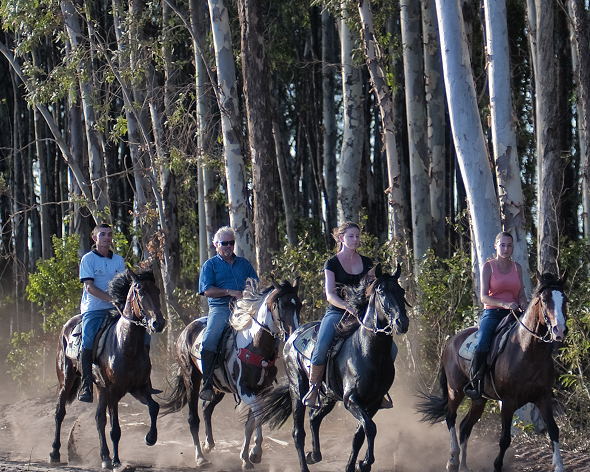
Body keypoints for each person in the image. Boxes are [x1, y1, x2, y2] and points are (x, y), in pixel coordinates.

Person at [304, 221, 394, 408]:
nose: (355, 240)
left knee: (392, 348)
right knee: (320, 349)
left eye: (358, 236)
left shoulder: (367, 262)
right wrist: (346, 306)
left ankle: (380, 389)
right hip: (337, 312)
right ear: (341, 238)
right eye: (351, 236)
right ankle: (314, 388)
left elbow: (372, 288)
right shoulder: (332, 263)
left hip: (363, 313)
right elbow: (330, 295)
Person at [464, 231, 528, 400]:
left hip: (515, 314)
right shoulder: (488, 267)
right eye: (502, 245)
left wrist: (524, 304)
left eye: (509, 245)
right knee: (483, 345)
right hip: (493, 313)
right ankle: (475, 382)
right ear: (496, 247)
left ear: (513, 247)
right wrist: (505, 304)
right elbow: (483, 296)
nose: (506, 249)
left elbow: (521, 294)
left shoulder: (517, 268)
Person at [198, 226, 258, 401]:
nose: (229, 246)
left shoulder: (244, 264)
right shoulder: (210, 265)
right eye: (225, 243)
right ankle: (207, 383)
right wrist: (229, 292)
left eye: (232, 243)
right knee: (210, 338)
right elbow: (206, 290)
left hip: (245, 306)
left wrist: (250, 291)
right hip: (221, 308)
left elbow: (255, 283)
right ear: (216, 244)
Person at [78, 224, 125, 402]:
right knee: (88, 341)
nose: (107, 237)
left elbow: (123, 285)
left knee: (139, 333)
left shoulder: (118, 260)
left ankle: (142, 379)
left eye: (109, 234)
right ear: (95, 238)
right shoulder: (88, 259)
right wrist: (110, 299)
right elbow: (89, 287)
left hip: (115, 309)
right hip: (94, 309)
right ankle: (86, 386)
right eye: (102, 234)